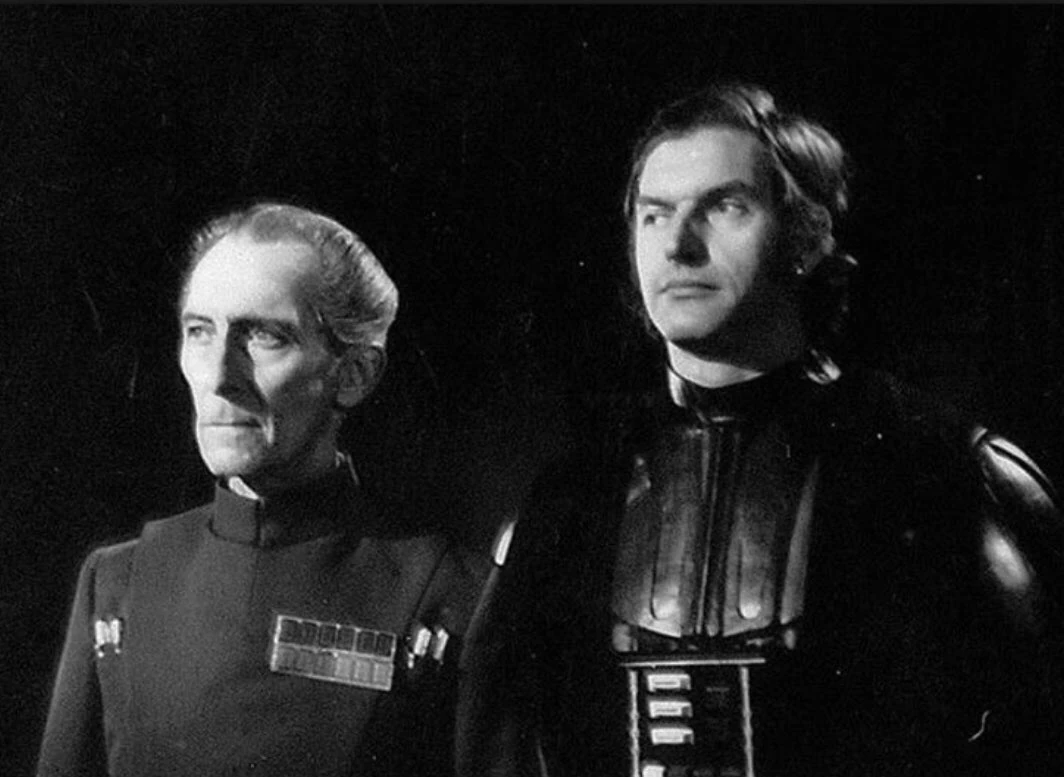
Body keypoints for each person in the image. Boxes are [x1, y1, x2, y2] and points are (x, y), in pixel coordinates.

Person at [457, 83, 1064, 777]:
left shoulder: (951, 473)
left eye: (725, 207)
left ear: (804, 237)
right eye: (655, 215)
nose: (678, 245)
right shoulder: (564, 504)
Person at [38, 202, 488, 776]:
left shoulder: (451, 593)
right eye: (199, 332)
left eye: (264, 336)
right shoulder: (116, 583)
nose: (218, 376)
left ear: (354, 375)